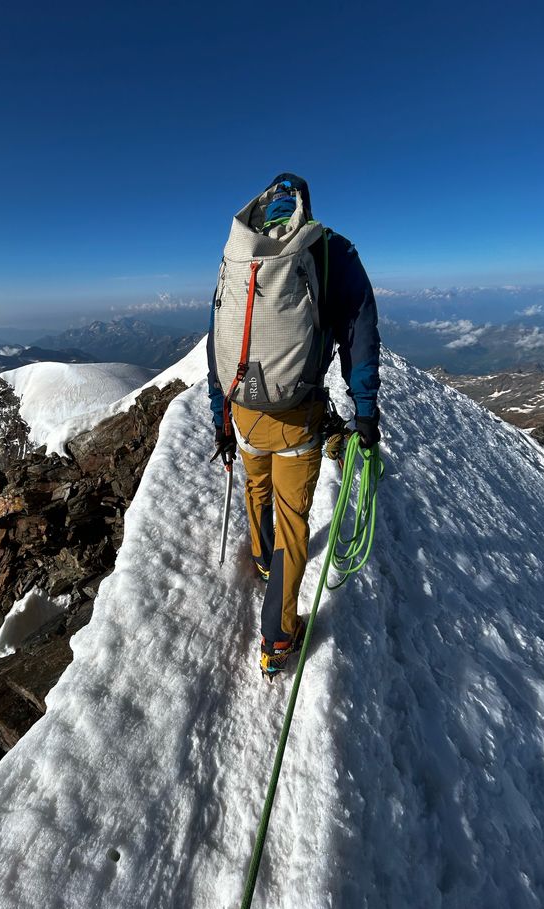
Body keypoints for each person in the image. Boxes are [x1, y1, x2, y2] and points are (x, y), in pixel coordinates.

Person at [207, 173, 381, 679]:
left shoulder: (241, 260)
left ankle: (261, 560)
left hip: (243, 409)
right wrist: (364, 411)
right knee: (293, 522)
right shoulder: (329, 251)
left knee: (256, 483)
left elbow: (218, 342)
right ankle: (278, 637)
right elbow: (359, 332)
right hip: (296, 417)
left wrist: (221, 415)